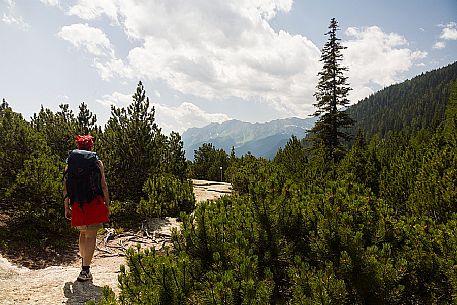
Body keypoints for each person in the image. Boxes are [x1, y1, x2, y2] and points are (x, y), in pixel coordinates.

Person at [63, 135, 110, 282]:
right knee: (91, 236)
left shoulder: (69, 163)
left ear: (78, 147)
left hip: (77, 202)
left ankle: (84, 264)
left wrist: (66, 206)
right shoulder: (97, 162)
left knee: (83, 233)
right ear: (91, 147)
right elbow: (103, 185)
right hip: (94, 202)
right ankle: (85, 270)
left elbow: (65, 186)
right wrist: (107, 204)